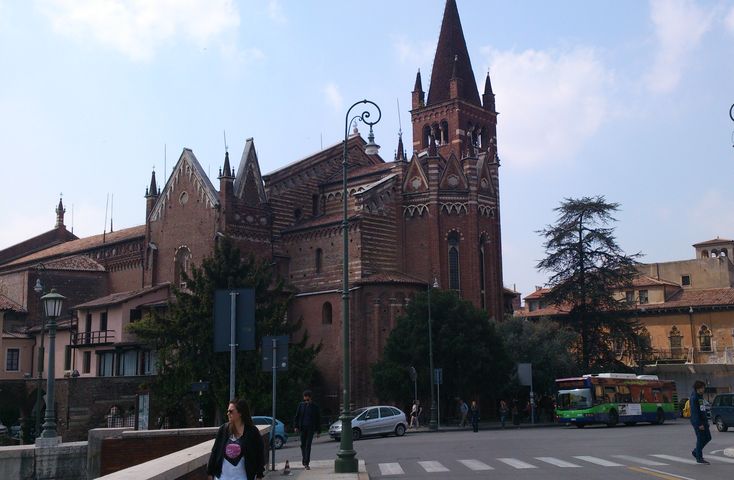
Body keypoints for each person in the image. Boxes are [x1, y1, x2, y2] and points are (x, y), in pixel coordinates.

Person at [206, 398, 264, 480]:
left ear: (240, 413)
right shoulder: (223, 430)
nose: (228, 413)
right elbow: (215, 451)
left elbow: (259, 454)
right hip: (223, 477)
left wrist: (259, 475)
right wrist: (210, 472)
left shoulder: (252, 432)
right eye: (228, 411)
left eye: (231, 411)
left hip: (243, 477)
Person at [293, 389, 321, 470]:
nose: (306, 401)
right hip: (303, 428)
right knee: (303, 445)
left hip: (310, 428)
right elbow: (297, 416)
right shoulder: (301, 405)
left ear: (310, 398)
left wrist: (319, 431)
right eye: (304, 400)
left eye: (307, 400)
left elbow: (318, 419)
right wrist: (296, 426)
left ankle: (306, 463)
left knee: (308, 445)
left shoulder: (315, 407)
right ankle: (304, 459)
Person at [690, 380, 712, 464]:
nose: (704, 389)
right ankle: (699, 457)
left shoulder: (700, 396)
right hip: (698, 422)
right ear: (698, 388)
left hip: (704, 421)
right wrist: (699, 424)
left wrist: (706, 421)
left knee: (708, 437)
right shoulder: (694, 397)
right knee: (700, 439)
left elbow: (702, 409)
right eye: (702, 388)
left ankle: (696, 451)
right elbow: (695, 412)